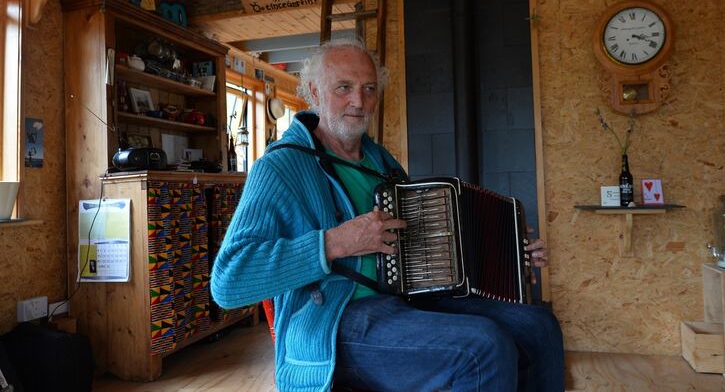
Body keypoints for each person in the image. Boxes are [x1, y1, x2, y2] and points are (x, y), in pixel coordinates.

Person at [210, 38, 565, 392]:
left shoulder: (381, 162)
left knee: (538, 325)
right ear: (314, 92)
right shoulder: (279, 167)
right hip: (334, 320)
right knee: (481, 348)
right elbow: (228, 281)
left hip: (405, 301)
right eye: (344, 88)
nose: (358, 101)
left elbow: (423, 239)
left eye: (368, 88)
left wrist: (504, 251)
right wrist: (335, 243)